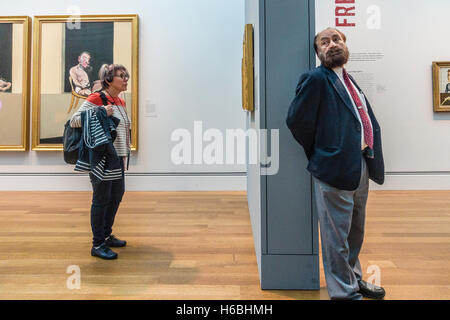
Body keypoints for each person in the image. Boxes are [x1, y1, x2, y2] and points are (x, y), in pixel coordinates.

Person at [286, 28, 386, 300]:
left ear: (345, 45)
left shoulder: (348, 79)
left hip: (360, 165)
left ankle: (353, 280)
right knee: (336, 240)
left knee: (355, 232)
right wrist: (323, 153)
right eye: (324, 42)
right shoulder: (316, 78)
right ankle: (344, 294)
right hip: (334, 169)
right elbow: (297, 121)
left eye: (337, 39)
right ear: (318, 52)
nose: (332, 44)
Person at [70, 64, 131, 259]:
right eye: (122, 76)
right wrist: (102, 112)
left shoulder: (120, 101)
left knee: (116, 195)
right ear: (108, 80)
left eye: (126, 76)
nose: (126, 79)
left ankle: (106, 234)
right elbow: (74, 120)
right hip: (103, 157)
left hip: (117, 156)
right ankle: (97, 244)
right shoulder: (97, 98)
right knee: (102, 198)